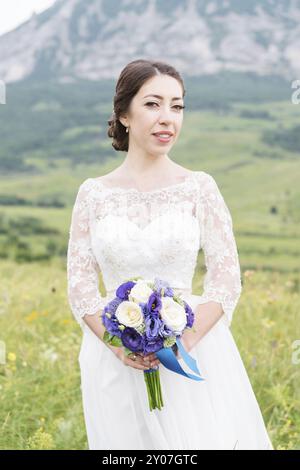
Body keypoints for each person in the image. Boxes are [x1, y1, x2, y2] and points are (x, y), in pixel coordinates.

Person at [67, 59, 273, 450]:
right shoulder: (92, 193)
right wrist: (118, 346)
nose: (168, 118)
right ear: (124, 113)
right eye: (153, 104)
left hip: (192, 353)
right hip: (113, 359)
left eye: (177, 106)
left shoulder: (199, 188)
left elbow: (226, 280)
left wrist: (182, 343)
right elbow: (79, 288)